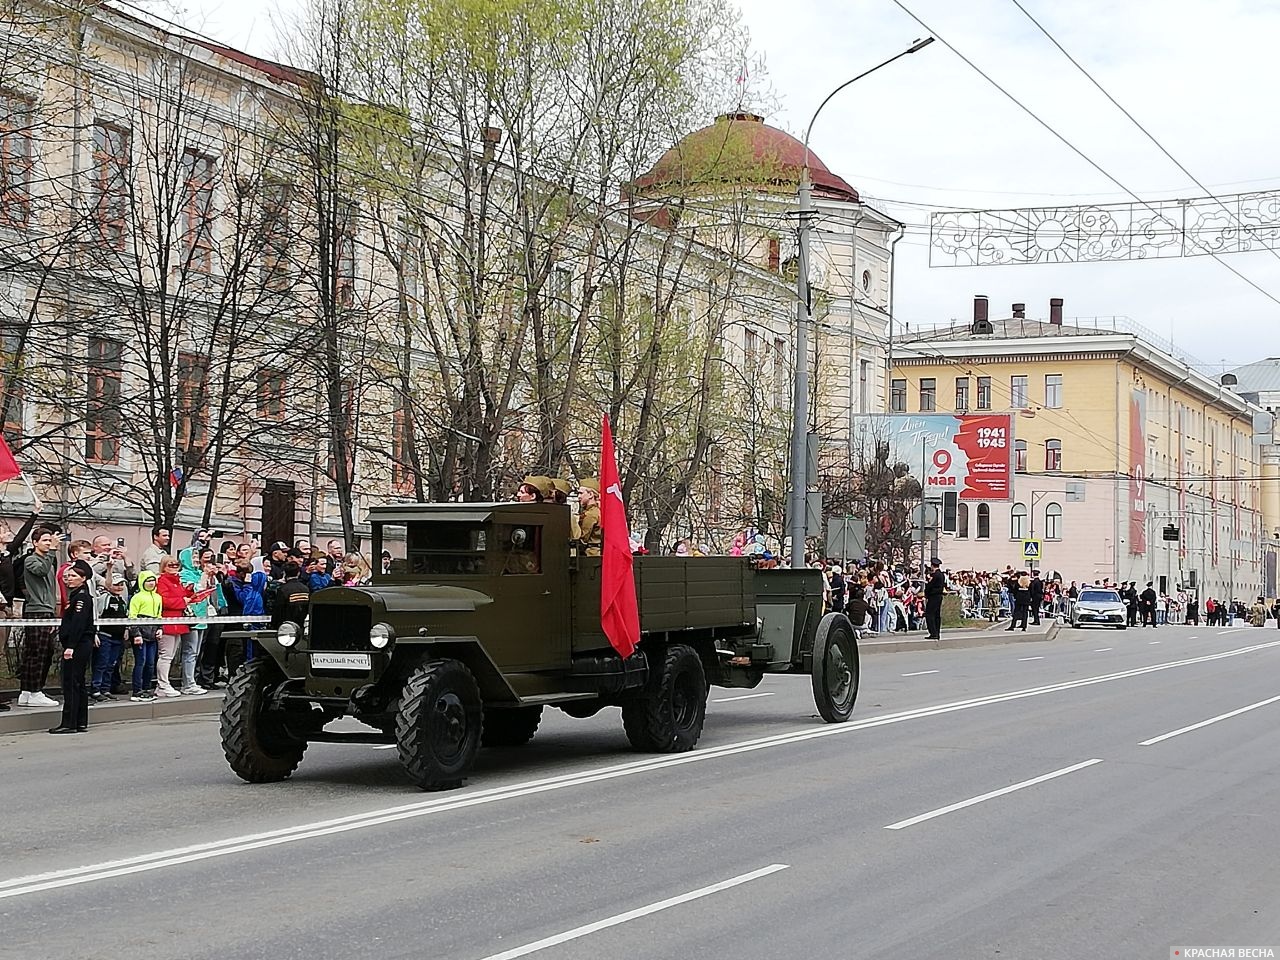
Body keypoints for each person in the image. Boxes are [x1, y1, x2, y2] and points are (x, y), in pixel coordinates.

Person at [0, 501, 41, 711]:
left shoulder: (7, 553)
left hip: (5, 608)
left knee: (0, 651)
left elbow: (21, 536)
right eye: (3, 529)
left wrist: (34, 513)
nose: (7, 531)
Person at [49, 559, 97, 734]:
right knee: (78, 683)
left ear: (83, 578)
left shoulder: (81, 598)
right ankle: (80, 721)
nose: (68, 579)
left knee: (71, 683)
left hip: (77, 646)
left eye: (73, 576)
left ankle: (69, 723)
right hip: (79, 644)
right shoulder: (77, 596)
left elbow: (78, 624)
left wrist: (70, 646)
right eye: (67, 576)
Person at [17, 525, 62, 707]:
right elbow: (41, 570)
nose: (49, 543)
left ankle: (27, 692)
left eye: (50, 540)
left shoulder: (48, 560)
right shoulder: (31, 560)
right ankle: (34, 691)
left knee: (40, 651)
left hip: (46, 609)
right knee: (37, 653)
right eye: (45, 540)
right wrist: (52, 552)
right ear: (35, 543)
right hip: (36, 610)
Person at [90, 575, 129, 702]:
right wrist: (95, 633)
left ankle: (105, 689)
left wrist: (126, 629)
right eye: (116, 584)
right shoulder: (104, 598)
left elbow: (125, 616)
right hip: (105, 636)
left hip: (118, 638)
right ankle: (96, 689)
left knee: (111, 664)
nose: (119, 587)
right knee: (101, 663)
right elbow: (97, 615)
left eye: (121, 584)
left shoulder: (122, 600)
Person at [127, 571, 162, 701]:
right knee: (140, 662)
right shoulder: (137, 597)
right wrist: (136, 634)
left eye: (153, 580)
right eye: (148, 581)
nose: (151, 583)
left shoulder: (158, 597)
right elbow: (132, 616)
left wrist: (160, 628)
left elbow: (159, 615)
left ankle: (147, 688)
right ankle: (137, 690)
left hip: (153, 634)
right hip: (141, 633)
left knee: (150, 663)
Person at [577, 478, 602, 556]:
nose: (579, 497)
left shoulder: (591, 514)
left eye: (581, 493)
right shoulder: (597, 511)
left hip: (590, 554)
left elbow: (583, 538)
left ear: (591, 495)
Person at [924, 557, 945, 640]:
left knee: (930, 614)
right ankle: (937, 632)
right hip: (938, 596)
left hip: (934, 596)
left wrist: (927, 592)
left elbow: (930, 586)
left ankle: (933, 632)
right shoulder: (941, 574)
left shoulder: (935, 575)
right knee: (936, 615)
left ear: (932, 566)